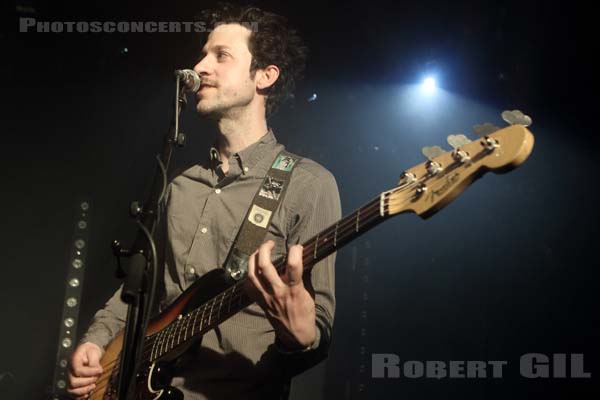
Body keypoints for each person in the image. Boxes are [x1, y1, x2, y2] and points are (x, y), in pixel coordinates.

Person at [67, 4, 341, 400]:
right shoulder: (180, 185)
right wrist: (96, 343)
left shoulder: (308, 185)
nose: (201, 66)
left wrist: (302, 338)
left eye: (221, 55)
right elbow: (138, 292)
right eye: (203, 53)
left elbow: (317, 331)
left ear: (265, 76)